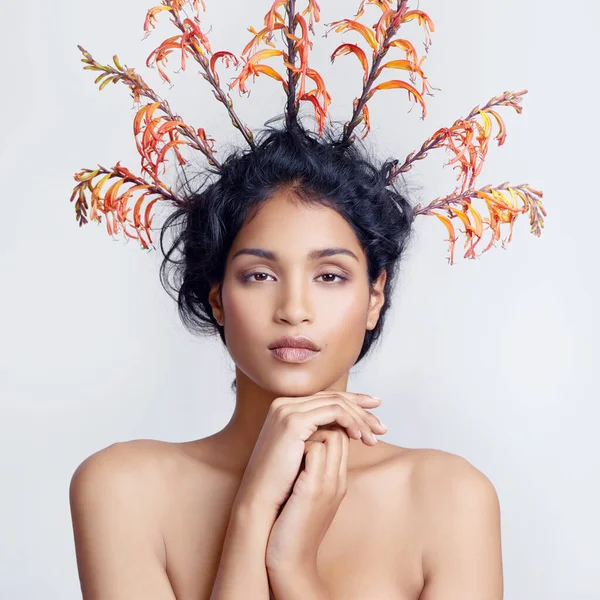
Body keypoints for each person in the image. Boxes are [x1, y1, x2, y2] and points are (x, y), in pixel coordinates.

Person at [69, 123, 504, 599]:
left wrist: (293, 566)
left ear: (374, 296)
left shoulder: (450, 500)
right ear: (217, 297)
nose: (294, 309)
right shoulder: (123, 490)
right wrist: (252, 511)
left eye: (330, 276)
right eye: (259, 275)